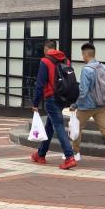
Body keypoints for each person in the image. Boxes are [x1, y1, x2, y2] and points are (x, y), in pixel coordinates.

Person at [70, 42, 105, 164]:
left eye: (82, 55)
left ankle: (75, 153)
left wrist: (75, 104)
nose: (82, 57)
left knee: (77, 128)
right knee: (104, 128)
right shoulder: (102, 66)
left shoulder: (87, 70)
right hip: (101, 104)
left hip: (87, 106)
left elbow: (83, 91)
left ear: (85, 54)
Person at [31, 40, 77, 170]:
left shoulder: (45, 61)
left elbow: (40, 84)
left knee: (59, 127)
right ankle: (40, 154)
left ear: (46, 49)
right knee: (49, 127)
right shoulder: (65, 60)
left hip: (51, 98)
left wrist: (35, 103)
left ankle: (69, 157)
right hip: (63, 98)